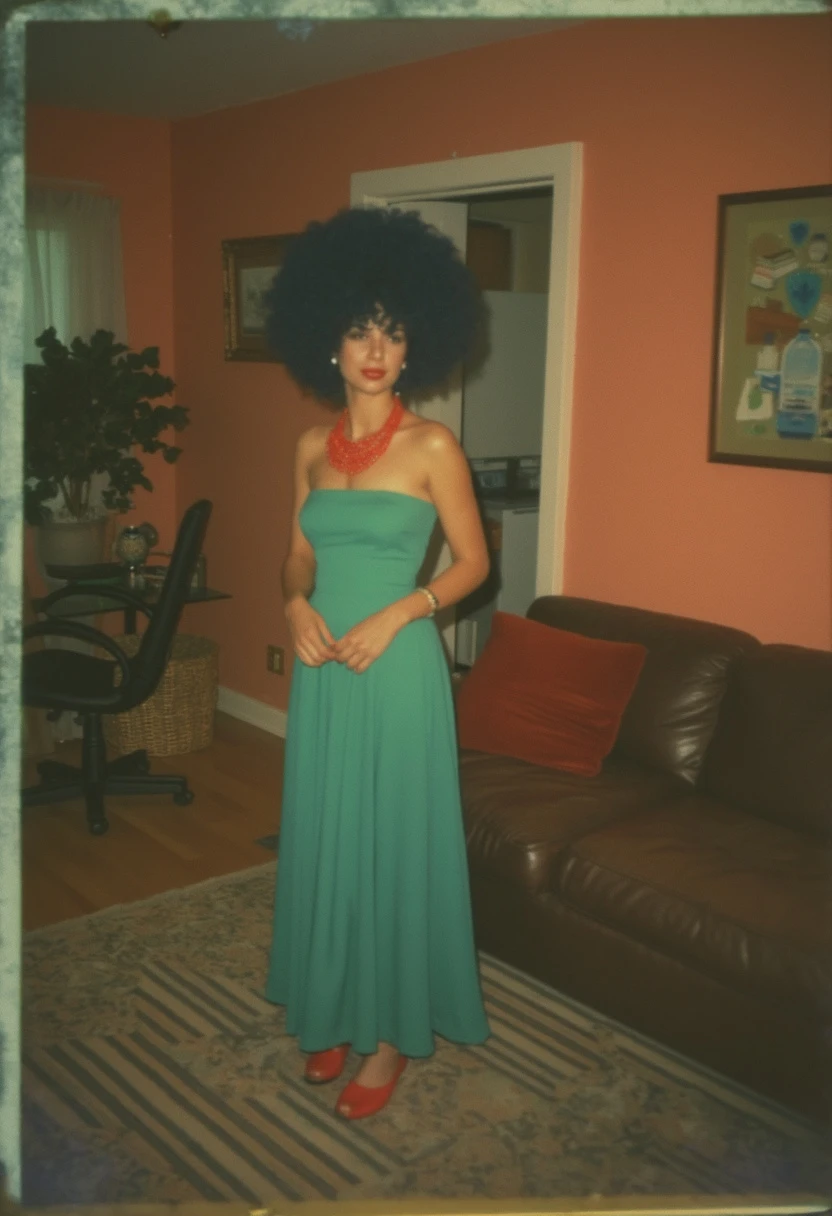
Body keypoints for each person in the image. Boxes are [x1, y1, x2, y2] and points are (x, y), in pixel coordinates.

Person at [264, 206, 492, 1120]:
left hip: (397, 670)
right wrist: (293, 605)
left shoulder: (433, 446)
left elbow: (474, 566)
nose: (375, 350)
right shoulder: (309, 449)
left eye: (393, 334)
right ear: (330, 339)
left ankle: (390, 1034)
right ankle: (329, 1006)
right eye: (361, 329)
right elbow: (298, 556)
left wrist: (403, 609)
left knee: (393, 841)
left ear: (414, 348)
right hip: (323, 667)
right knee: (328, 837)